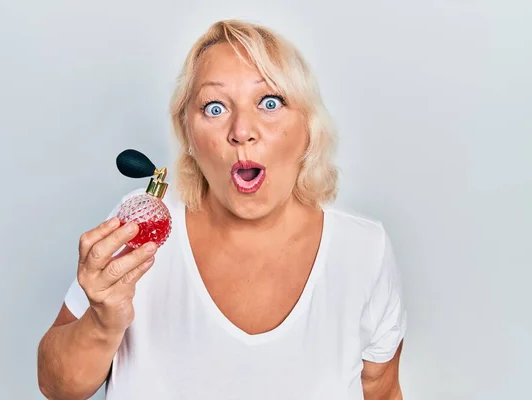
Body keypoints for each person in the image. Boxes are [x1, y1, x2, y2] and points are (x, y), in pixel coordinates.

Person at [37, 19, 407, 400]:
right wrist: (102, 322)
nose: (241, 130)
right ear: (189, 136)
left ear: (308, 128)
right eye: (214, 108)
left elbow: (381, 389)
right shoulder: (142, 232)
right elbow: (57, 387)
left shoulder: (363, 251)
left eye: (270, 102)